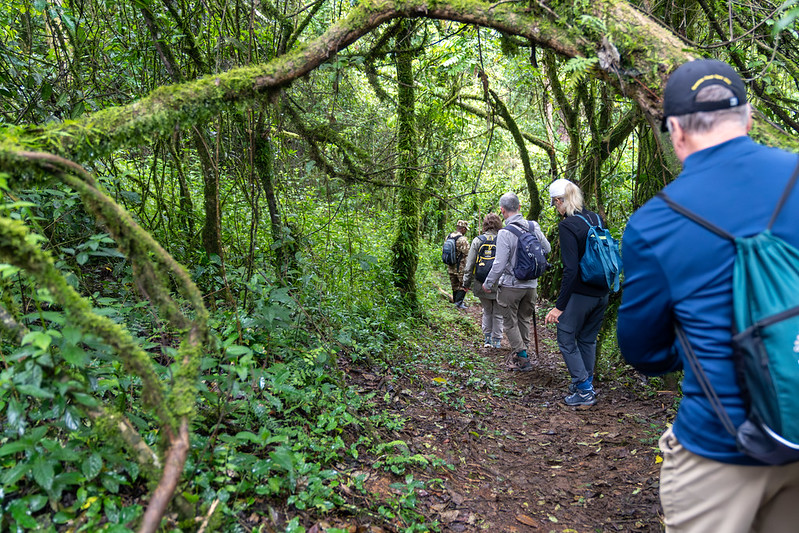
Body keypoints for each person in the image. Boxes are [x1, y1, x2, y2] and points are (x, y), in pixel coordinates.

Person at [617, 58, 799, 532]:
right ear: (748, 117)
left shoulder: (655, 224)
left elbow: (641, 351)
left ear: (674, 131)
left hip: (721, 445)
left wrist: (700, 343)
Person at [544, 179, 610, 407]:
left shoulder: (567, 225)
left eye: (555, 203)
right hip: (603, 291)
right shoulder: (595, 218)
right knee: (587, 339)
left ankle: (583, 390)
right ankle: (586, 383)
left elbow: (571, 269)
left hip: (582, 293)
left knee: (565, 336)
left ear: (560, 201)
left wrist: (559, 307)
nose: (556, 208)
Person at [482, 193, 550, 371]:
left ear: (502, 211)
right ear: (519, 207)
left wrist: (488, 283)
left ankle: (522, 356)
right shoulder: (533, 226)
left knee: (510, 322)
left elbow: (499, 264)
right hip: (531, 285)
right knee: (524, 319)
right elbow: (547, 248)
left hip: (511, 286)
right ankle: (522, 352)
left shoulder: (504, 233)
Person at [463, 213, 504, 348]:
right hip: (499, 282)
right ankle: (497, 341)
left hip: (481, 281)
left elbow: (469, 264)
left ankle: (487, 340)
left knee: (487, 310)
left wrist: (466, 283)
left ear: (485, 225)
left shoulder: (477, 240)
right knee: (498, 312)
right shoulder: (503, 238)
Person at [446, 220, 471, 309]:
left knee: (454, 284)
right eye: (465, 229)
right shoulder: (462, 239)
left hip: (450, 265)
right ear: (463, 229)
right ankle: (459, 303)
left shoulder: (449, 236)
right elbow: (467, 252)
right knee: (462, 284)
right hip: (460, 266)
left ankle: (456, 301)